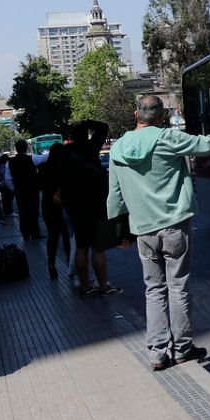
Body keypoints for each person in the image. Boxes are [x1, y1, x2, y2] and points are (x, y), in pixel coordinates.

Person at [106, 95, 210, 371]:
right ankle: (182, 348)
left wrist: (119, 232)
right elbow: (207, 145)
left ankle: (158, 354)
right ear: (161, 117)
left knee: (153, 290)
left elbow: (114, 196)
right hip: (173, 226)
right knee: (178, 287)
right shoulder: (167, 138)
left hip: (143, 230)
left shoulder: (118, 148)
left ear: (136, 115)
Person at [62, 119, 118, 297]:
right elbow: (103, 127)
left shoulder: (65, 152)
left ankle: (85, 286)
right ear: (86, 134)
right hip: (95, 202)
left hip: (75, 204)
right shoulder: (91, 147)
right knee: (98, 247)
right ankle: (103, 285)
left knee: (81, 246)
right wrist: (86, 122)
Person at [39, 142, 72, 279]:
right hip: (63, 204)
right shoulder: (65, 168)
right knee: (66, 235)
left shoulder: (43, 168)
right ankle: (70, 262)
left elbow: (39, 185)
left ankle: (51, 263)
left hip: (47, 203)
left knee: (53, 235)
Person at [9, 140, 41, 241]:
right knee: (33, 212)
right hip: (32, 190)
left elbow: (8, 178)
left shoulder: (11, 161)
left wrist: (14, 189)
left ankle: (25, 234)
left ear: (16, 149)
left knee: (23, 213)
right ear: (26, 148)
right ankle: (35, 233)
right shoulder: (32, 159)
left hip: (19, 190)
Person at [0, 154, 14, 221]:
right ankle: (9, 212)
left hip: (1, 185)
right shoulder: (6, 166)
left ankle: (6, 211)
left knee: (4, 198)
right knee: (9, 198)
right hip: (6, 184)